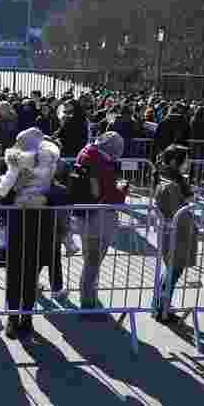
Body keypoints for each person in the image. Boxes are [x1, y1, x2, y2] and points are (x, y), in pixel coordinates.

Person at [0, 127, 60, 339]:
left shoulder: (18, 160)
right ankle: (23, 319)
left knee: (19, 272)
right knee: (28, 272)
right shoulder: (50, 160)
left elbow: (6, 185)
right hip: (34, 219)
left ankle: (17, 318)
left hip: (22, 219)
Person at [72, 131, 129, 318]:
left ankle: (89, 299)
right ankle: (88, 304)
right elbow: (112, 195)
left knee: (90, 260)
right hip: (100, 216)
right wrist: (123, 188)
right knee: (93, 262)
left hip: (84, 213)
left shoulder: (85, 153)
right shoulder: (103, 163)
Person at [154, 144, 196, 324]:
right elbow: (184, 203)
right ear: (174, 161)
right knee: (174, 270)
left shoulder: (163, 175)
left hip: (171, 228)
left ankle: (160, 305)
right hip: (178, 230)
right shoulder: (175, 181)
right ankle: (162, 308)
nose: (188, 163)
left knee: (171, 269)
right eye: (185, 159)